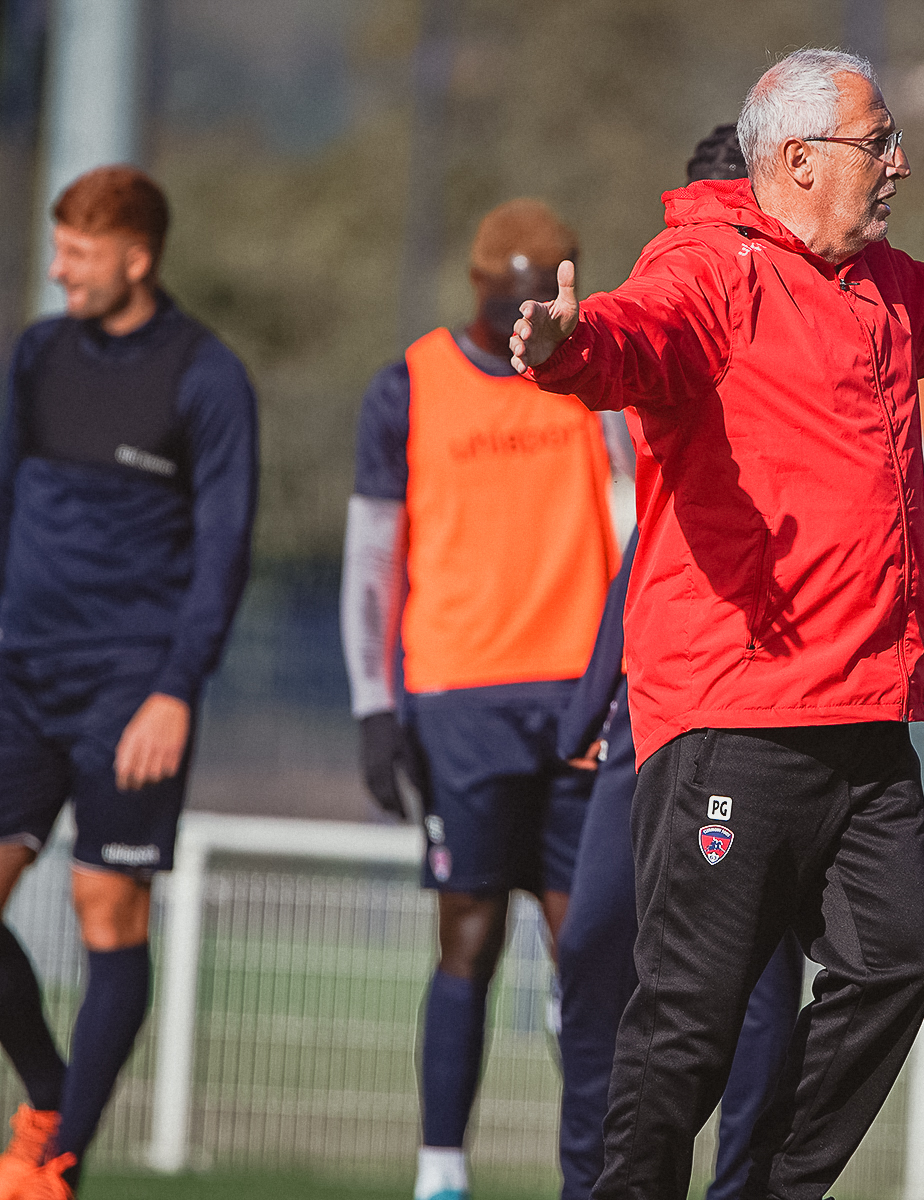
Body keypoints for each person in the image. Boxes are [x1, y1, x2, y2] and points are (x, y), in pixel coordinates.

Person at [510, 49, 924, 1200]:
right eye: (877, 143)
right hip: (736, 714)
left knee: (897, 965)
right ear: (796, 160)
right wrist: (565, 351)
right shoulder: (708, 269)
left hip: (865, 720)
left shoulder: (879, 286)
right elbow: (633, 338)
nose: (898, 163)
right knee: (690, 1022)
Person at [340, 198, 618, 1200]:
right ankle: (442, 1172)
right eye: (514, 293)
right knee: (468, 933)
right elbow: (373, 560)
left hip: (581, 698)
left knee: (588, 946)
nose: (527, 313)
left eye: (547, 293)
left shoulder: (596, 378)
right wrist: (375, 709)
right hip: (458, 701)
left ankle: (595, 1174)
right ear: (480, 285)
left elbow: (641, 508)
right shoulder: (409, 386)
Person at [553, 125, 805, 1200]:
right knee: (595, 945)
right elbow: (653, 532)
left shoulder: (808, 335)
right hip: (658, 695)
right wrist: (591, 699)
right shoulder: (678, 300)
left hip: (764, 706)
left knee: (754, 977)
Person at [0, 166, 259, 1200]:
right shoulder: (36, 355)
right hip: (18, 675)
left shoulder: (208, 376)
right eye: (58, 247)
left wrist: (175, 689)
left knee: (105, 909)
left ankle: (57, 1162)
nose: (59, 268)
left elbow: (224, 552)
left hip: (132, 687)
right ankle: (52, 1095)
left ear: (137, 258)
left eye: (79, 253)